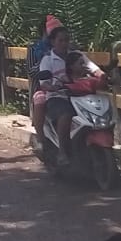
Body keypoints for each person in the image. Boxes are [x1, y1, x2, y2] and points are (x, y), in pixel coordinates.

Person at [38, 23, 104, 164]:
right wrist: (52, 87)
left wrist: (103, 76)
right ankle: (62, 152)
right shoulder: (47, 59)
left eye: (66, 40)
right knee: (65, 115)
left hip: (82, 95)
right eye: (60, 40)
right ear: (52, 41)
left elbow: (94, 69)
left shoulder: (77, 56)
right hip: (58, 97)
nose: (64, 43)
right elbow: (43, 83)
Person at [28, 15, 62, 135]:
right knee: (40, 101)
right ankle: (40, 138)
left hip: (65, 86)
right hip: (42, 87)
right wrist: (45, 59)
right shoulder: (34, 49)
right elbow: (32, 71)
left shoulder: (65, 47)